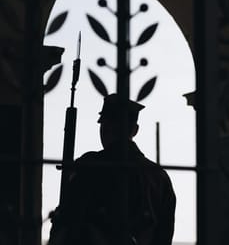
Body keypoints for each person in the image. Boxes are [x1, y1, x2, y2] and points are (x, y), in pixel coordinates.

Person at [49, 94, 176, 245]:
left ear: (105, 127)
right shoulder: (159, 177)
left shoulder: (90, 166)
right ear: (135, 130)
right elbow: (164, 235)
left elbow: (68, 222)